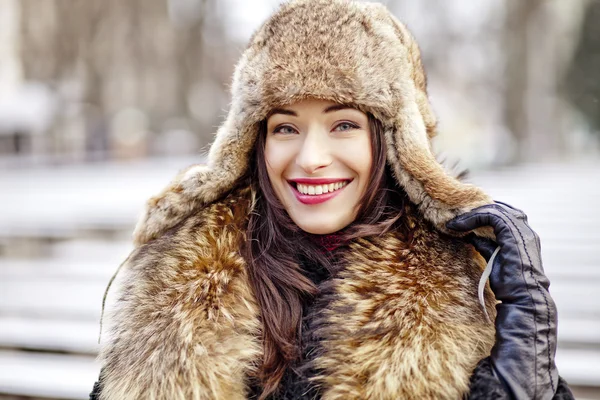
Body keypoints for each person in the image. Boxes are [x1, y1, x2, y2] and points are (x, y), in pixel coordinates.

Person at [91, 1, 574, 399]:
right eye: (285, 127)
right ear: (252, 143)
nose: (311, 157)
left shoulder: (462, 286)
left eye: (343, 124)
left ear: (393, 144)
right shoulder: (176, 289)